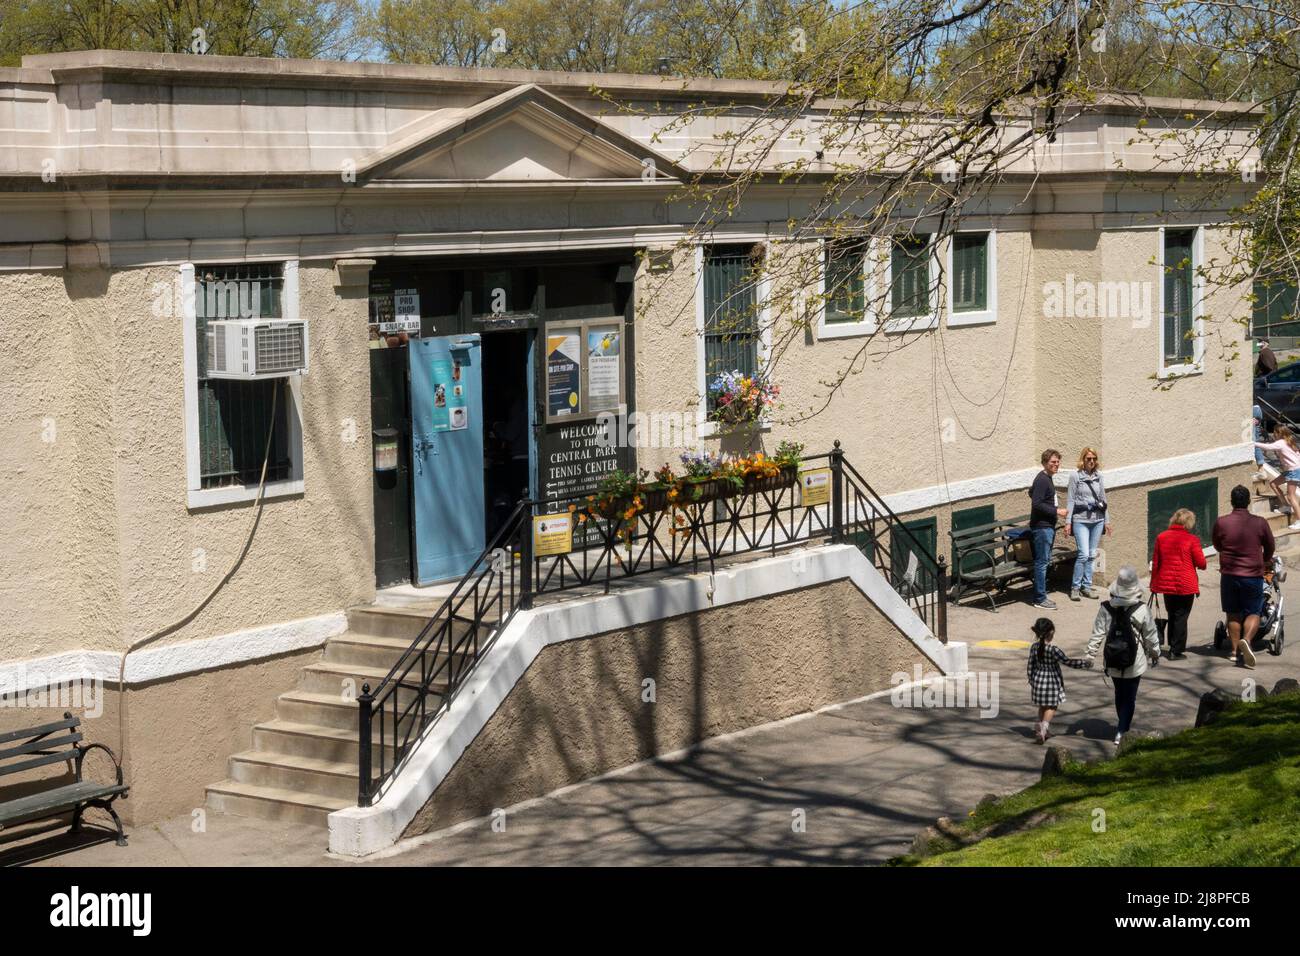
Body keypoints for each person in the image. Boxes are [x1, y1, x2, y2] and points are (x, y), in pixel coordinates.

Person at [1087, 565, 1160, 747]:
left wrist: (1090, 654)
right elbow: (1150, 635)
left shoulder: (1105, 608)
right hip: (1135, 661)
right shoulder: (1142, 609)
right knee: (1130, 696)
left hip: (1112, 659)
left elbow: (1098, 633)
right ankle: (1122, 729)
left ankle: (1122, 725)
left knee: (1120, 693)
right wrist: (1155, 653)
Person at [1211, 484, 1274, 669]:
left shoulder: (1222, 522)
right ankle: (1246, 640)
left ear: (1231, 501)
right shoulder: (1260, 522)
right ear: (1248, 501)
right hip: (1252, 574)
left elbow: (1217, 544)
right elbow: (1270, 546)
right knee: (1253, 611)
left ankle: (1233, 652)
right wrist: (1264, 560)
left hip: (1229, 574)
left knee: (1232, 612)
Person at [1149, 508, 1207, 660]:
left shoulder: (1161, 537)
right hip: (1186, 584)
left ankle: (1172, 645)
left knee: (1172, 613)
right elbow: (1201, 563)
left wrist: (1153, 584)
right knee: (1181, 616)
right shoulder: (1192, 539)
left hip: (1166, 585)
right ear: (1189, 523)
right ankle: (1176, 650)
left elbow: (1156, 563)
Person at [1026, 617, 1091, 744]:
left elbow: (1030, 665)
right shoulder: (1053, 649)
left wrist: (1031, 679)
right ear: (1051, 632)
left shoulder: (1034, 647)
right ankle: (1043, 728)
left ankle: (1042, 728)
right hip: (1051, 681)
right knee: (1052, 706)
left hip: (1038, 680)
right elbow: (1067, 661)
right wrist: (1085, 663)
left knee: (1042, 706)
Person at [1064, 447, 1110, 601]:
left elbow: (1104, 500)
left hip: (1097, 520)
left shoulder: (1099, 477)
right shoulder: (1075, 476)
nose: (1091, 461)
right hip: (1081, 520)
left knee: (1091, 555)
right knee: (1083, 554)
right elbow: (1070, 500)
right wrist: (1068, 522)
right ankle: (1075, 588)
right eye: (1088, 458)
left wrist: (1107, 521)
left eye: (1094, 459)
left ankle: (1087, 586)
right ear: (1083, 460)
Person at [1029, 448, 1067, 610]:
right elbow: (1036, 503)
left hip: (1047, 527)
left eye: (1058, 462)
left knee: (1043, 562)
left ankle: (1041, 595)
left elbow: (1032, 493)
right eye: (1053, 462)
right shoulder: (1043, 480)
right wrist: (1057, 511)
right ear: (1045, 463)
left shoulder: (1045, 479)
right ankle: (1040, 598)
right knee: (1042, 563)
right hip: (1042, 528)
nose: (1056, 464)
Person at [1254, 423, 1300, 530]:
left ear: (1279, 433)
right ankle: (1285, 506)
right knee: (1273, 484)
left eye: (1274, 432)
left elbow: (1268, 447)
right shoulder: (1289, 442)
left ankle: (1299, 520)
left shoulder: (1281, 443)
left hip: (1293, 471)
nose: (1273, 434)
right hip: (1291, 470)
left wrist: (1253, 443)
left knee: (1291, 496)